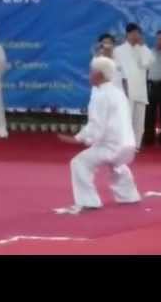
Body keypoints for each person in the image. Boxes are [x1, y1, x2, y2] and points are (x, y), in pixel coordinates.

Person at [57, 56, 141, 214]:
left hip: (112, 146)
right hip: (128, 145)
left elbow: (96, 124)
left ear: (100, 75)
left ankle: (88, 202)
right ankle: (129, 195)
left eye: (92, 72)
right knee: (117, 164)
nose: (89, 75)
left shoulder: (101, 95)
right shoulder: (117, 92)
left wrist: (78, 138)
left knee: (79, 162)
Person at [114, 23, 154, 149]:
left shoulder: (145, 49)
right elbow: (117, 69)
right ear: (128, 34)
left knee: (139, 121)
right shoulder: (118, 50)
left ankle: (136, 145)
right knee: (126, 119)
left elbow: (147, 64)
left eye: (138, 33)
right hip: (126, 90)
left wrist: (141, 48)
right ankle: (124, 145)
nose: (136, 35)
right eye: (133, 33)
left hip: (140, 90)